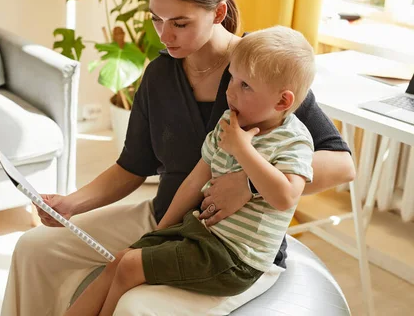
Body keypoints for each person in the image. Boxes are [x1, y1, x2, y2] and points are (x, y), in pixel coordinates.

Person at [0, 0, 355, 316]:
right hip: (165, 217)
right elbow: (132, 166)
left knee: (135, 304)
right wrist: (71, 204)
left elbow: (341, 164)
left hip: (228, 244)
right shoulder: (159, 75)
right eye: (156, 19)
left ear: (218, 12)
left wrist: (248, 185)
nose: (164, 35)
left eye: (180, 23)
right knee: (34, 248)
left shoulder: (259, 71)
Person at [64, 26, 317, 316]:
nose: (230, 91)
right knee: (123, 259)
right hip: (201, 236)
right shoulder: (228, 123)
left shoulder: (293, 140)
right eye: (232, 77)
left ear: (282, 101)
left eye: (245, 85)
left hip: (236, 259)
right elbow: (194, 181)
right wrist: (159, 233)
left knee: (130, 266)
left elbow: (285, 196)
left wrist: (242, 150)